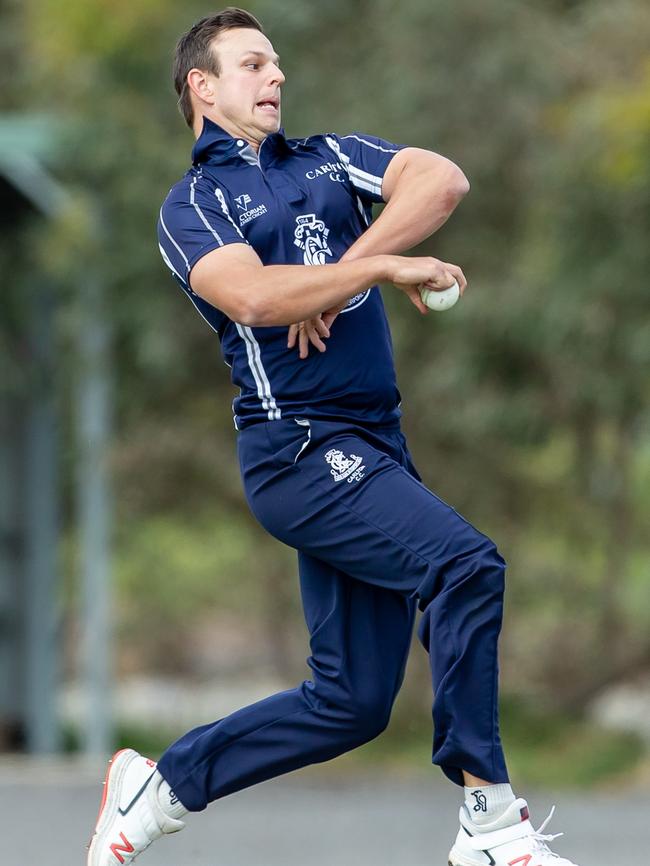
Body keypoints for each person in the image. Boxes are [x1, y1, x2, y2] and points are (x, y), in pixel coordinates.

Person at [87, 8, 581, 866]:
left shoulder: (326, 158)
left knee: (351, 701)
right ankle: (491, 822)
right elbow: (252, 298)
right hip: (301, 451)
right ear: (202, 88)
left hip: (372, 445)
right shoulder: (193, 203)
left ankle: (159, 784)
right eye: (252, 65)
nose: (276, 77)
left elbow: (441, 180)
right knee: (466, 564)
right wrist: (372, 272)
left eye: (277, 63)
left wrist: (342, 278)